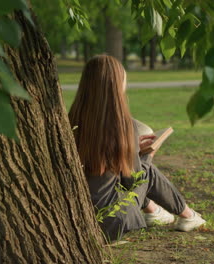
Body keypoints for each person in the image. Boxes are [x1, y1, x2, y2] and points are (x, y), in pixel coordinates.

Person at [68, 54, 206, 242]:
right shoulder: (123, 125)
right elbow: (132, 181)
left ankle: (157, 212)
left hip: (78, 216)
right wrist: (147, 154)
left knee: (136, 168)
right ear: (116, 85)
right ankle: (187, 215)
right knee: (146, 172)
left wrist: (131, 148)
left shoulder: (72, 120)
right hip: (111, 222)